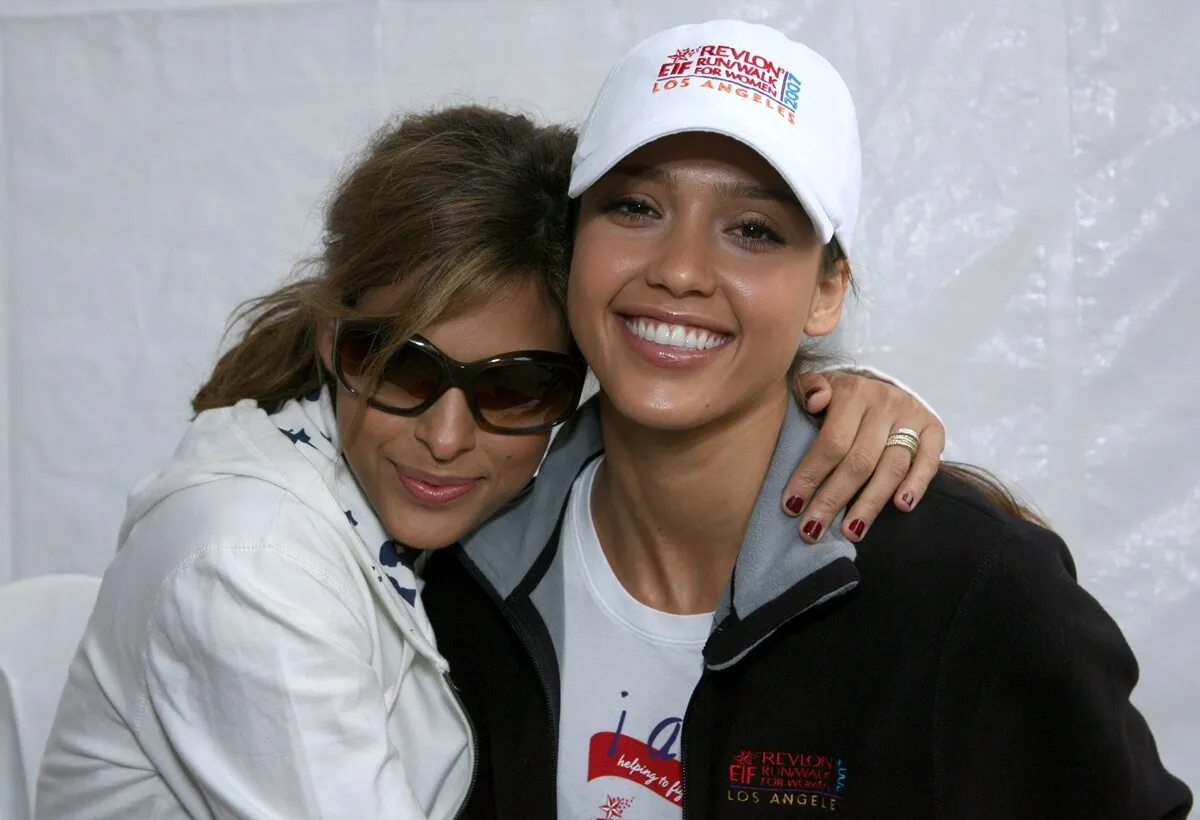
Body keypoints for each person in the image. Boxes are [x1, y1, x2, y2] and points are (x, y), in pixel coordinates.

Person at [35, 106, 942, 819]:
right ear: (333, 342)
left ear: (576, 389)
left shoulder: (450, 524)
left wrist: (834, 401)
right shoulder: (251, 565)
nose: (444, 434)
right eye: (399, 365)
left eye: (512, 389)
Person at [420, 20, 1193, 820]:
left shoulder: (973, 587)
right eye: (636, 206)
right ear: (571, 247)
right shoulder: (455, 567)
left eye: (753, 230)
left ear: (826, 291)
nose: (680, 269)